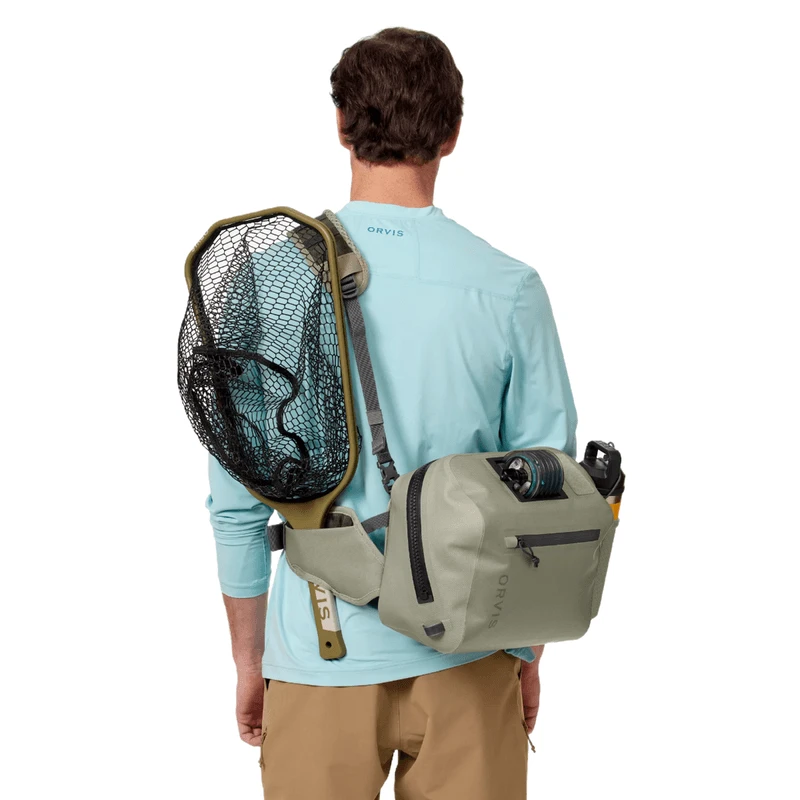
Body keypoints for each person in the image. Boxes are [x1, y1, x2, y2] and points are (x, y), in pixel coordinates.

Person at [205, 27, 578, 799]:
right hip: (472, 654)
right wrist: (525, 655)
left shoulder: (264, 278)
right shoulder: (508, 288)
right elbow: (548, 494)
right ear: (452, 133)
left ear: (342, 124)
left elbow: (236, 505)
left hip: (319, 653)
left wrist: (250, 661)